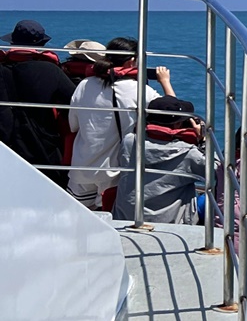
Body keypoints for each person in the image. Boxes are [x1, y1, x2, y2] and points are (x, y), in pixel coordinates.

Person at [68, 37, 175, 210]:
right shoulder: (141, 91)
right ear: (133, 61)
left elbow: (73, 125)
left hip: (81, 168)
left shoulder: (84, 85)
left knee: (78, 218)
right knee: (109, 221)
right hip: (114, 173)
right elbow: (174, 114)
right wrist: (165, 81)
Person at [0, 19, 77, 187]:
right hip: (41, 145)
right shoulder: (50, 70)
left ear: (12, 42)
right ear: (41, 45)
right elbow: (75, 103)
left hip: (4, 143)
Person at [112, 96, 206, 227]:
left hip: (126, 219)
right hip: (170, 224)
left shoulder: (129, 142)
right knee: (206, 200)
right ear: (178, 125)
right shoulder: (187, 153)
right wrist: (203, 141)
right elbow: (216, 172)